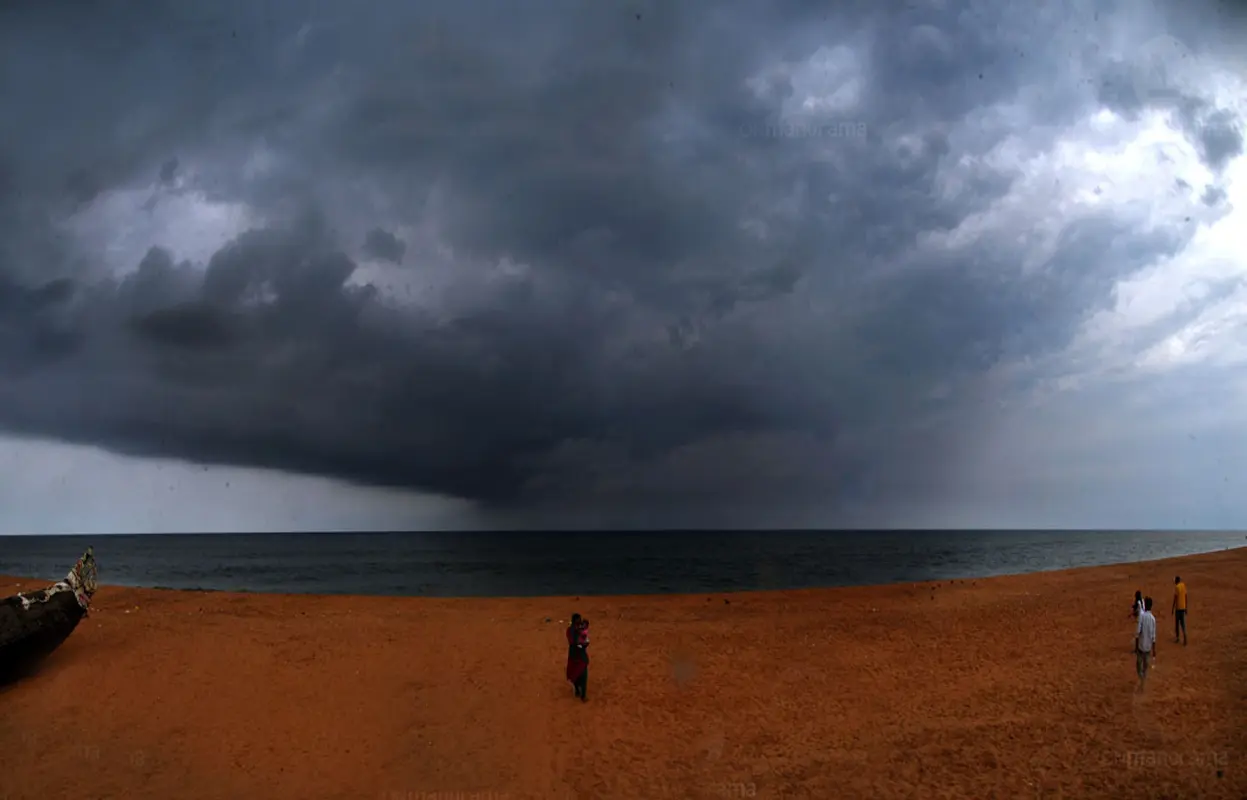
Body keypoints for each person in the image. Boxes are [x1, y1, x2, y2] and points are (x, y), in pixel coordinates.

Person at [1135, 596, 1157, 692]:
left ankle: (1141, 679)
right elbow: (1153, 636)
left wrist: (1136, 646)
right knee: (1145, 666)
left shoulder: (1142, 617)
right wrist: (1154, 649)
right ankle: (1143, 680)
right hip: (1148, 647)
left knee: (1138, 665)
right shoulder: (1152, 619)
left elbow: (1138, 632)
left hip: (1141, 646)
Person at [566, 613, 589, 701]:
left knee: (575, 674)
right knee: (582, 675)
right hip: (579, 655)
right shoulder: (578, 630)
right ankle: (582, 694)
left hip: (573, 655)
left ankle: (579, 692)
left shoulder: (571, 630)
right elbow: (579, 642)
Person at [1172, 576, 1188, 645]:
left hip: (1178, 608)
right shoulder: (1183, 585)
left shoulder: (1177, 587)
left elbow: (1175, 598)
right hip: (1183, 607)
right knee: (1183, 624)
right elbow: (1185, 596)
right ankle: (1185, 637)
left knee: (1177, 624)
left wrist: (1172, 608)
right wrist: (1186, 607)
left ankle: (1177, 637)